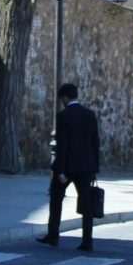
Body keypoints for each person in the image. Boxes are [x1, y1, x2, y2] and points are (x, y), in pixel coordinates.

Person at [37, 83, 100, 251]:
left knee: (56, 201)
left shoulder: (63, 116)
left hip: (67, 166)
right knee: (87, 205)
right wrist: (94, 169)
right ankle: (88, 241)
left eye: (61, 99)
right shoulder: (90, 115)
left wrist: (62, 170)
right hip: (86, 167)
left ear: (64, 97)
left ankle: (53, 236)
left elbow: (62, 145)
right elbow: (95, 143)